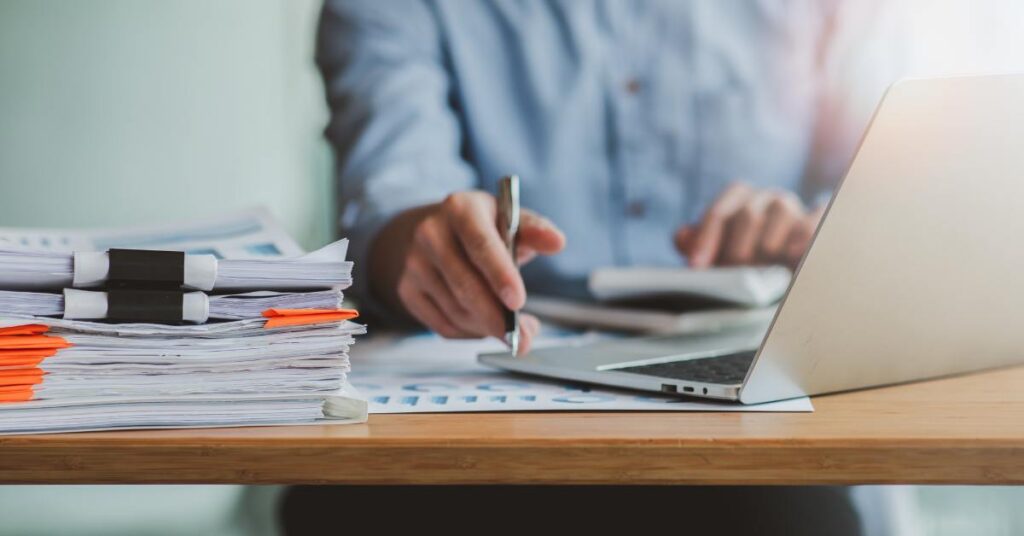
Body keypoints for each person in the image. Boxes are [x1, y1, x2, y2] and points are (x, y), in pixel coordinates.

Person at [309, 2, 912, 535]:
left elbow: (892, 185)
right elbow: (388, 195)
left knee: (789, 514)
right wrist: (420, 247)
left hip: (757, 432)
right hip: (477, 434)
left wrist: (817, 232)